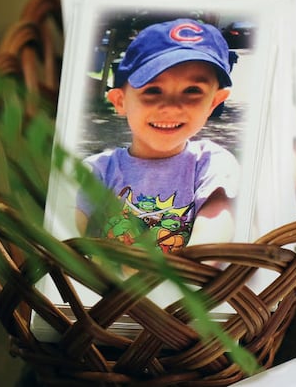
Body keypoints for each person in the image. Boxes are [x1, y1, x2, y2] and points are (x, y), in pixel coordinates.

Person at [75, 18, 239, 254]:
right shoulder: (97, 171)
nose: (171, 107)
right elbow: (63, 235)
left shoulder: (212, 164)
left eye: (193, 90)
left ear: (215, 102)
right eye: (153, 90)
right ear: (120, 101)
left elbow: (210, 247)